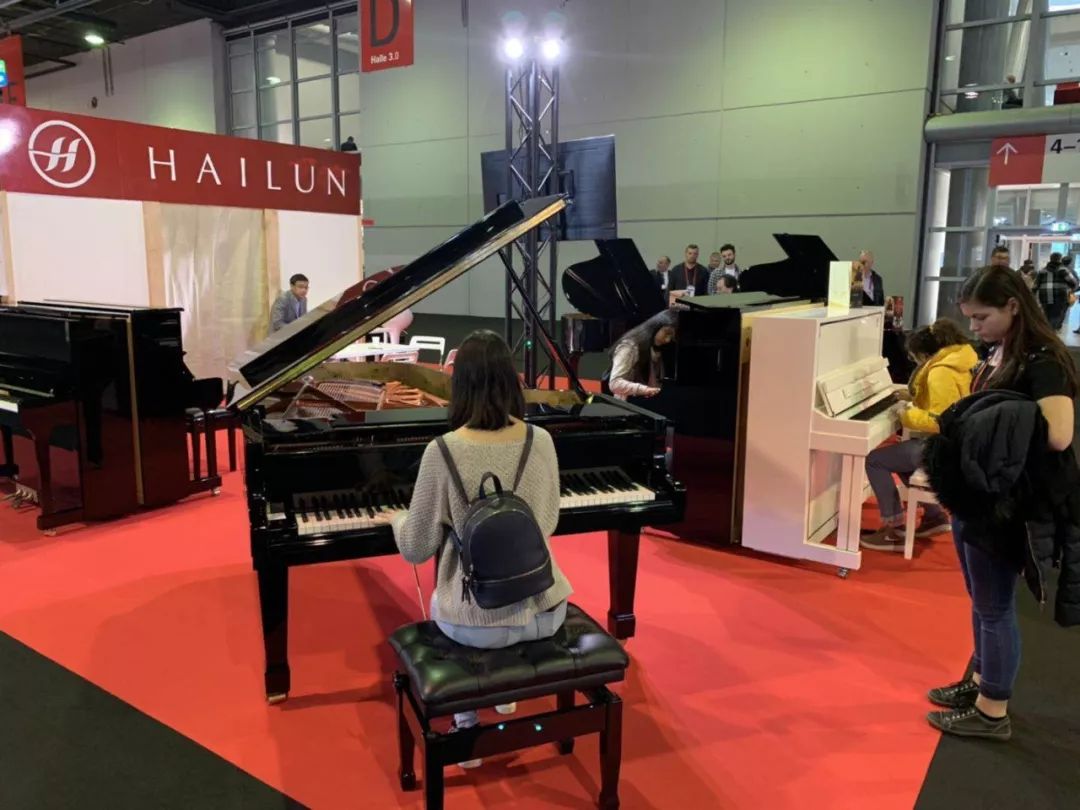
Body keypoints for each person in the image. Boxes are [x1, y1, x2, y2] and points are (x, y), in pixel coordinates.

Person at [388, 330, 571, 765]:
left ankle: (467, 723)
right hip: (547, 612)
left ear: (459, 385)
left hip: (475, 624)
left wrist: (396, 519)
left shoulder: (443, 451)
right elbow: (548, 522)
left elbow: (416, 548)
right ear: (510, 379)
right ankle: (504, 694)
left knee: (441, 601)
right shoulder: (541, 440)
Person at [926, 265, 1079, 741]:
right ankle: (979, 681)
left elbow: (1059, 434)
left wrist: (994, 427)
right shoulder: (1002, 351)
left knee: (994, 606)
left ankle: (993, 709)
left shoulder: (1043, 361)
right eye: (970, 318)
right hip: (978, 497)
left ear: (1013, 307)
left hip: (1006, 504)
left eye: (982, 317)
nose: (974, 327)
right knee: (981, 599)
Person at [861, 319, 977, 550]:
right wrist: (912, 398)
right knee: (900, 458)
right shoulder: (957, 363)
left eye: (914, 359)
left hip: (944, 448)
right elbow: (947, 403)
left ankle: (893, 529)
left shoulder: (940, 373)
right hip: (956, 444)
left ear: (924, 355)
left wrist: (906, 414)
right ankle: (934, 517)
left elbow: (938, 421)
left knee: (875, 460)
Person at [606, 310, 678, 399]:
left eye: (672, 337)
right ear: (656, 326)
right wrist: (644, 390)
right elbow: (615, 383)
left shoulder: (658, 349)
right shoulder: (630, 347)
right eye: (667, 333)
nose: (668, 340)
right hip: (629, 403)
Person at [1034, 252, 1076, 330]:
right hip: (1059, 297)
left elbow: (1035, 285)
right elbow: (1073, 282)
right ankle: (1050, 332)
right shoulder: (1063, 270)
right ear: (1060, 259)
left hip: (1044, 297)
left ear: (1050, 259)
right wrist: (1071, 289)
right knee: (1055, 316)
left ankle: (1046, 331)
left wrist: (1033, 294)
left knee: (1046, 315)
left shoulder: (1043, 270)